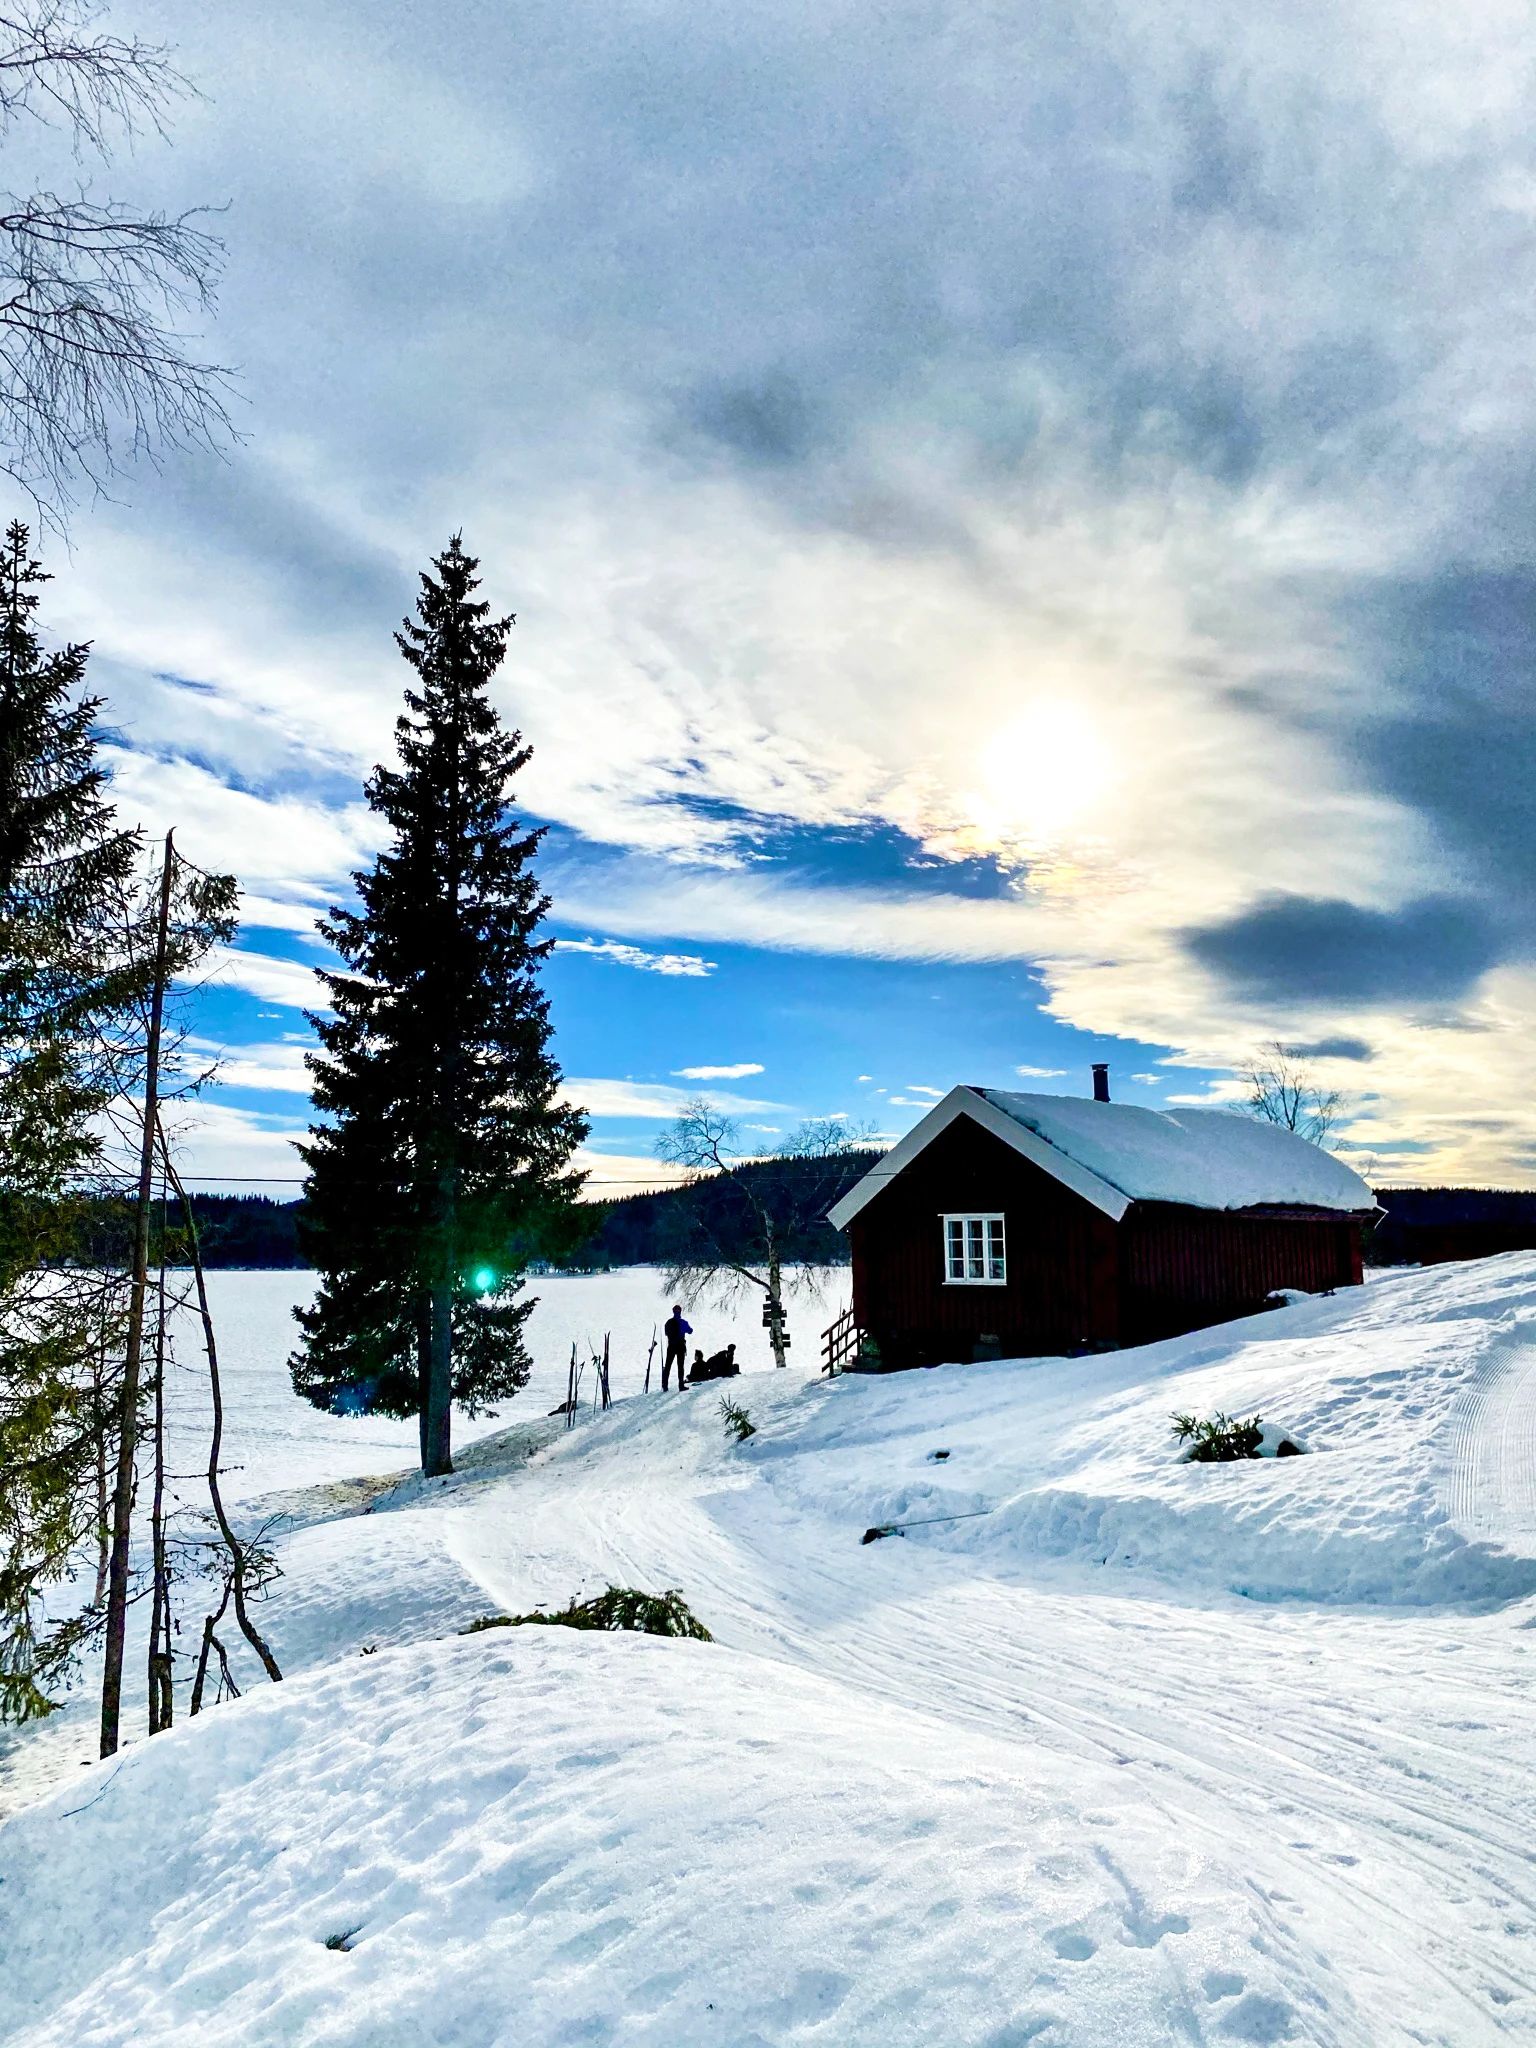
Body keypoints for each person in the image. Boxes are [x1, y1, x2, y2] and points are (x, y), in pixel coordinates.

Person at [662, 1305, 691, 1390]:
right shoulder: (683, 1322)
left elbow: (666, 1333)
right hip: (680, 1346)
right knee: (680, 1366)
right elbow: (690, 1330)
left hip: (671, 1346)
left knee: (668, 1366)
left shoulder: (669, 1322)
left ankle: (665, 1385)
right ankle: (681, 1385)